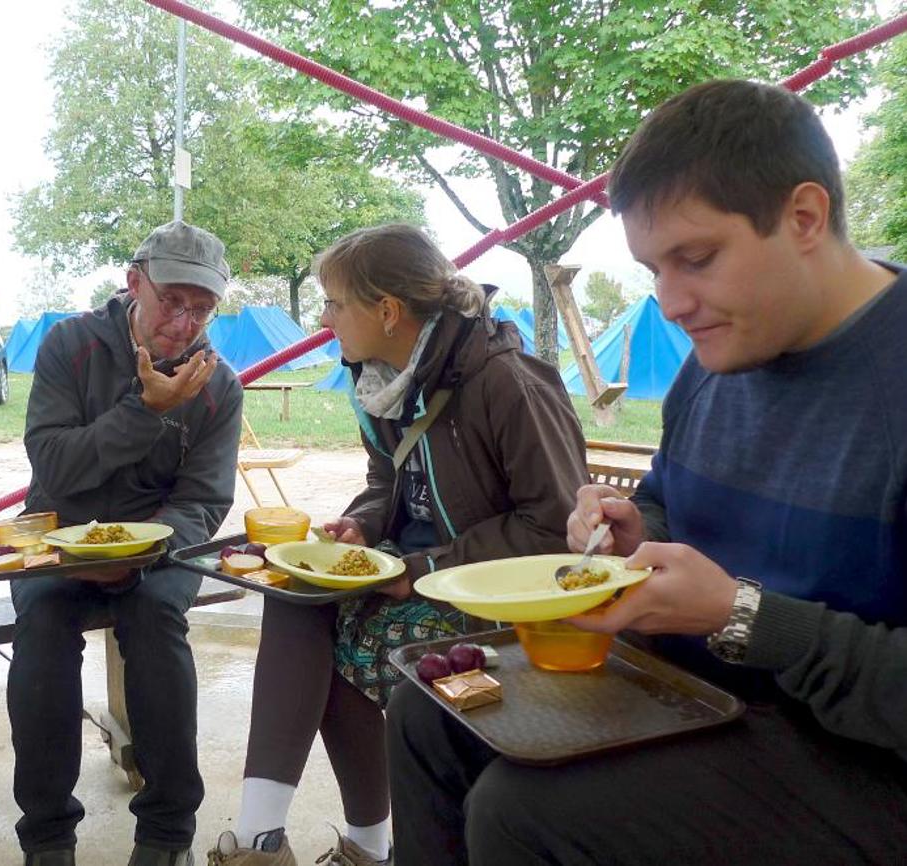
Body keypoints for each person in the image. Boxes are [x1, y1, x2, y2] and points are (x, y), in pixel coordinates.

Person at [386, 79, 907, 865]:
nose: (669, 301)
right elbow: (668, 508)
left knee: (524, 812)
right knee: (427, 715)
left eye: (694, 259)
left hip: (858, 757)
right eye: (652, 269)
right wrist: (635, 534)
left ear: (805, 217)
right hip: (698, 698)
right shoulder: (719, 356)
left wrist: (741, 616)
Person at [209, 224, 588, 866]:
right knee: (297, 591)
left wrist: (422, 567)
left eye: (334, 303)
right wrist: (362, 524)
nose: (323, 318)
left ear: (387, 311)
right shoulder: (381, 377)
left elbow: (557, 526)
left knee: (342, 638)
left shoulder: (505, 381)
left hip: (498, 595)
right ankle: (261, 839)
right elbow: (387, 478)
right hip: (416, 574)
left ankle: (364, 845)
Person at [9, 220, 243, 866]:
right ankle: (48, 834)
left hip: (159, 543)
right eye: (173, 299)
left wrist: (140, 551)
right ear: (134, 282)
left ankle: (167, 831)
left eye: (201, 308)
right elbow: (52, 466)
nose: (185, 319)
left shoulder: (218, 383)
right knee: (42, 621)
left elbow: (204, 500)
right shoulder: (71, 345)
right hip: (61, 531)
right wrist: (146, 411)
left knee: (157, 615)